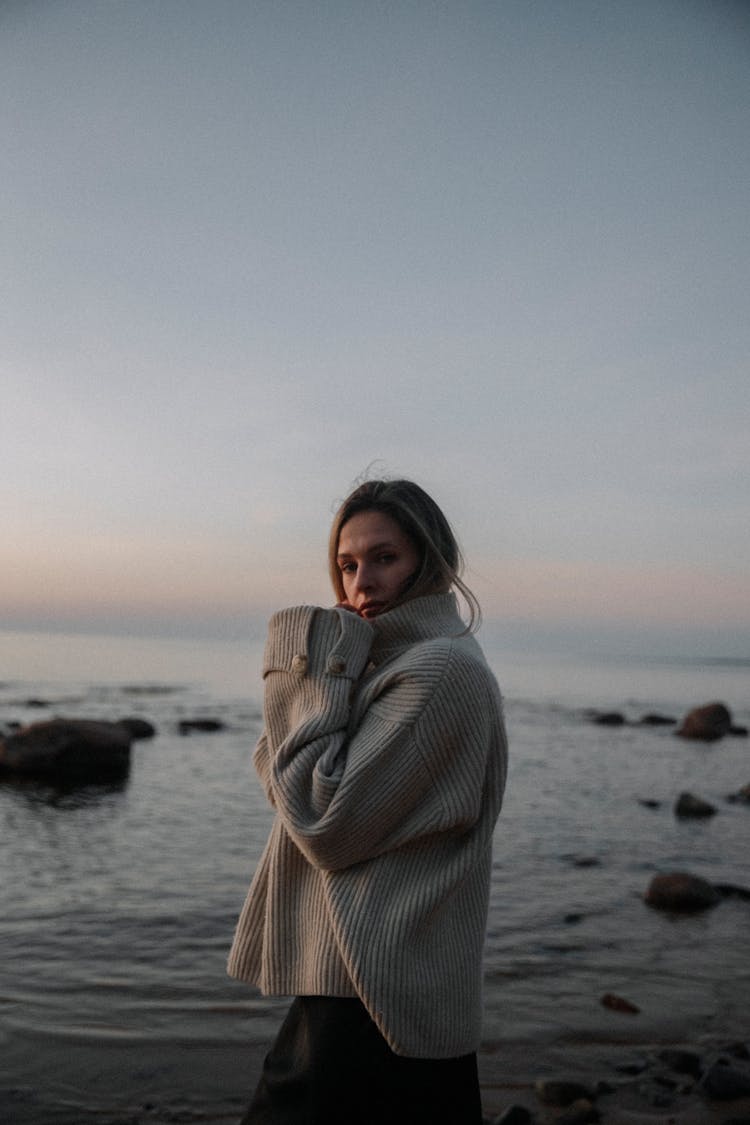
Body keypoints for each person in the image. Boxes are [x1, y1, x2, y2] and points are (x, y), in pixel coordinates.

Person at [228, 478, 508, 1125]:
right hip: (375, 979)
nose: (361, 584)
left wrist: (301, 669)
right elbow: (285, 770)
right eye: (347, 564)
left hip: (375, 995)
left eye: (385, 558)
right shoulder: (389, 667)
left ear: (431, 562)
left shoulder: (437, 671)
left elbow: (320, 819)